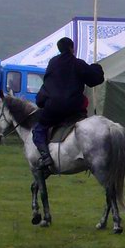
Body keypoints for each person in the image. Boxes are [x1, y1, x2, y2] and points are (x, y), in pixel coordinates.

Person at [31, 37, 105, 171]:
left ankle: (46, 157)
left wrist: (40, 102)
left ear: (59, 49)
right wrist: (96, 67)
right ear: (72, 48)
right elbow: (95, 79)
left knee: (38, 130)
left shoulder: (52, 63)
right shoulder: (78, 64)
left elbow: (47, 85)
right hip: (74, 109)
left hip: (53, 108)